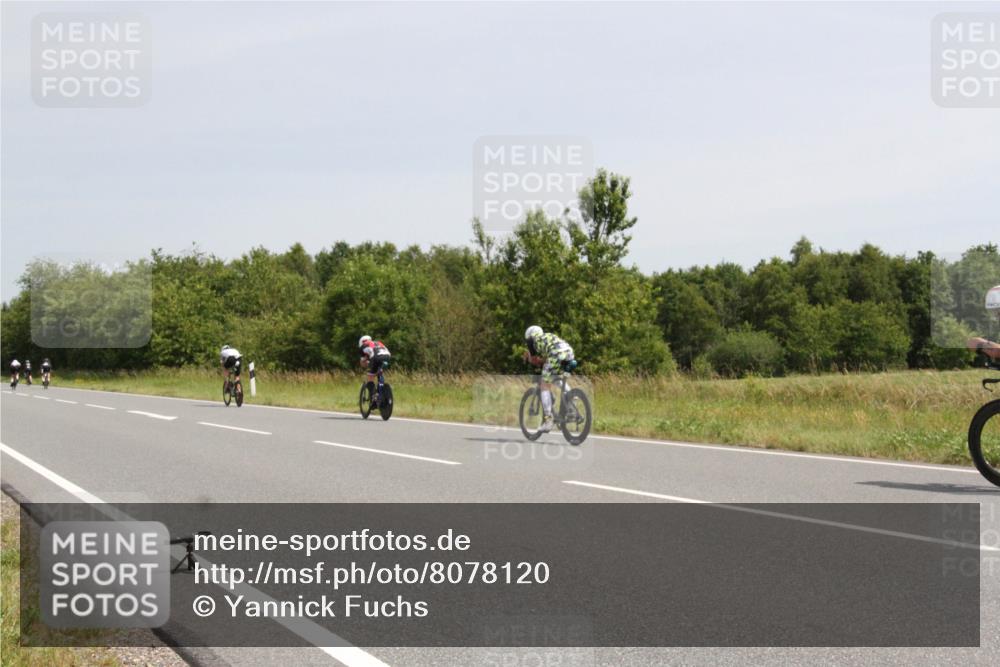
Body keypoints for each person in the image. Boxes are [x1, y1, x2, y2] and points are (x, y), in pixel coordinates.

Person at [523, 325, 576, 432]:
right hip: (569, 353)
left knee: (544, 385)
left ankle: (548, 420)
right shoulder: (549, 336)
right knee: (557, 377)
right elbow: (547, 360)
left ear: (529, 336)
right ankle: (571, 401)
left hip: (556, 355)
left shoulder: (533, 341)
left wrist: (528, 358)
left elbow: (534, 360)